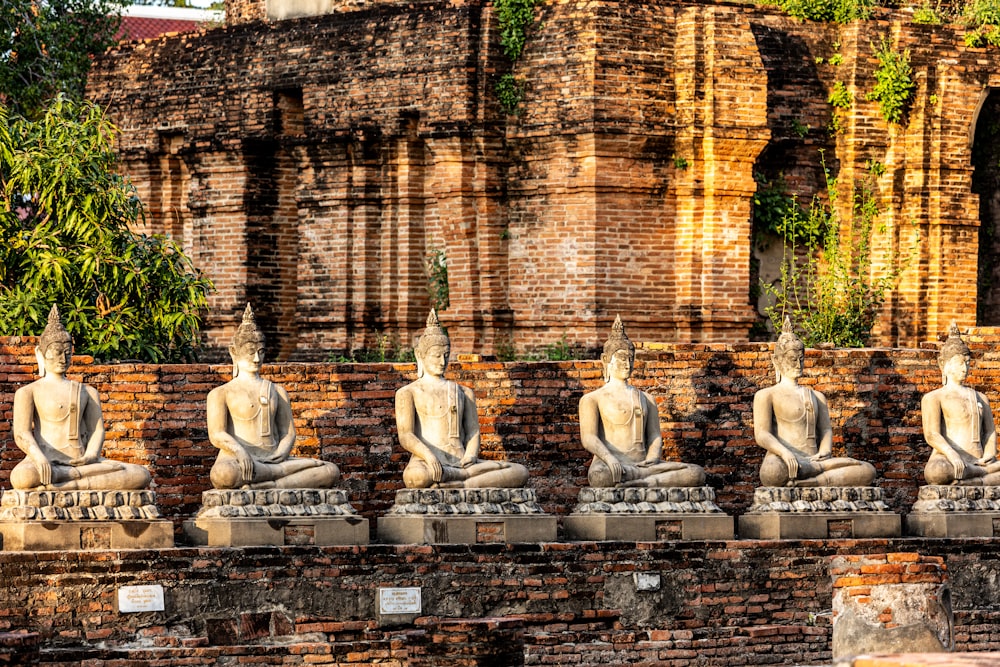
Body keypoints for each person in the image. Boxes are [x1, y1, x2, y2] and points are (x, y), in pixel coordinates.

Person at [11, 305, 152, 490]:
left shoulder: (87, 392)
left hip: (83, 462)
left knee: (141, 475)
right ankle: (71, 479)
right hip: (45, 460)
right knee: (22, 477)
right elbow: (21, 433)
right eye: (56, 353)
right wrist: (39, 458)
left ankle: (64, 480)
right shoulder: (29, 392)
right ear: (41, 354)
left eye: (67, 353)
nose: (62, 359)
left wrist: (91, 455)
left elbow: (97, 430)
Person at [206, 304, 340, 489]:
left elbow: (288, 432)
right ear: (233, 352)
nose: (256, 358)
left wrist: (282, 453)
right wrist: (240, 452)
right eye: (250, 351)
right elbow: (217, 434)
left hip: (275, 461)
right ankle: (280, 478)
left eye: (260, 352)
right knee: (223, 476)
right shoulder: (221, 393)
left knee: (330, 471)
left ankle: (267, 485)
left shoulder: (277, 391)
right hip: (238, 461)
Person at [395, 310, 529, 489]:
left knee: (519, 472)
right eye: (436, 356)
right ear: (420, 355)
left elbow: (473, 432)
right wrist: (429, 456)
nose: (442, 362)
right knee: (416, 478)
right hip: (428, 462)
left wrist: (470, 456)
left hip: (463, 464)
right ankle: (462, 481)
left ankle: (458, 483)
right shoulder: (408, 392)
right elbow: (406, 435)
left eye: (446, 355)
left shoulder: (463, 392)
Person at [579, 316, 706, 488]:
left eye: (631, 359)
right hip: (612, 466)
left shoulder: (646, 398)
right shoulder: (592, 399)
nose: (628, 364)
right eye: (622, 358)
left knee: (695, 473)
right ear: (606, 360)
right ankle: (646, 483)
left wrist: (653, 458)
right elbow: (588, 438)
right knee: (600, 478)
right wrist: (609, 458)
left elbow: (654, 436)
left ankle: (643, 484)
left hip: (644, 468)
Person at [752, 318, 876, 487]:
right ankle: (816, 472)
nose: (798, 364)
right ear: (777, 361)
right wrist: (785, 453)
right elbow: (762, 434)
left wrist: (824, 451)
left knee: (867, 471)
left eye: (801, 359)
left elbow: (825, 430)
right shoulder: (767, 395)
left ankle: (813, 479)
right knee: (772, 473)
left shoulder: (817, 396)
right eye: (792, 359)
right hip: (785, 460)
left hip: (815, 461)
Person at [921, 324, 1000, 485]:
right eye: (959, 363)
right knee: (937, 472)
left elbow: (990, 432)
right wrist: (952, 454)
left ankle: (973, 478)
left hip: (978, 459)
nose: (964, 368)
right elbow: (932, 434)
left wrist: (989, 454)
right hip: (948, 458)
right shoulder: (934, 397)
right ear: (945, 364)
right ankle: (981, 476)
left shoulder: (980, 397)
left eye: (968, 362)